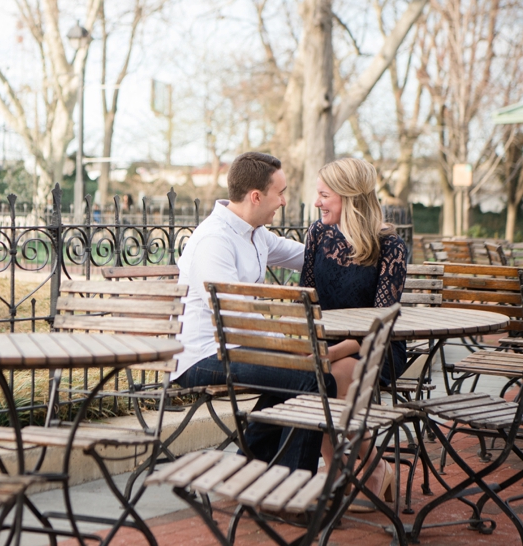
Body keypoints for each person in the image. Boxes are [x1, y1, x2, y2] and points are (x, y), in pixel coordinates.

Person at [174, 152, 325, 472]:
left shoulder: (255, 232)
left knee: (312, 376)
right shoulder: (215, 240)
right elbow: (231, 314)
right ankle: (295, 485)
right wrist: (284, 342)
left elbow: (306, 256)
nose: (284, 201)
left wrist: (354, 247)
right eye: (280, 193)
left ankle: (248, 466)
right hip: (203, 356)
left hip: (237, 347)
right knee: (309, 378)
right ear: (256, 197)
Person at [300, 157, 408, 511]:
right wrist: (320, 349)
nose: (317, 202)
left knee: (329, 377)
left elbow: (379, 327)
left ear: (348, 196)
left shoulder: (389, 247)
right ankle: (354, 470)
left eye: (324, 194)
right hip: (328, 344)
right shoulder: (317, 234)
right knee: (320, 379)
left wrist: (329, 353)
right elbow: (308, 303)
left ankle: (357, 473)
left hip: (376, 349)